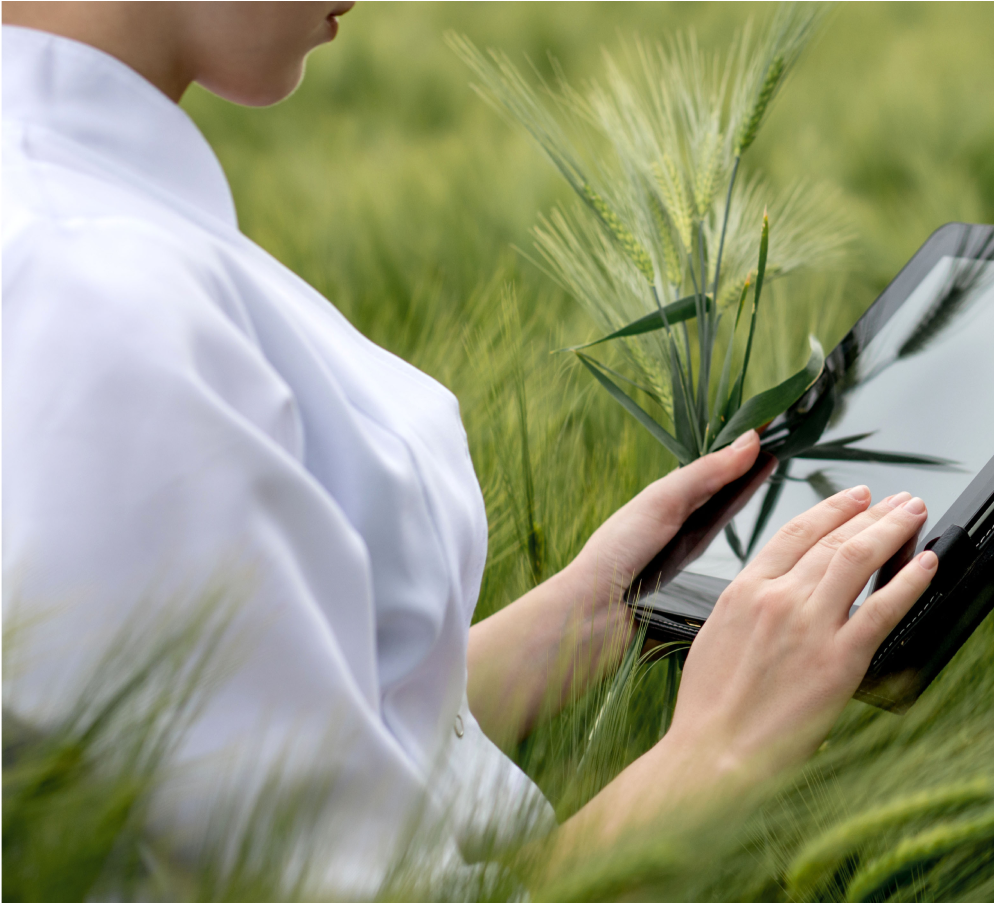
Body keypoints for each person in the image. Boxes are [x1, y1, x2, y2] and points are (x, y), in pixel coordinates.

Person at [0, 0, 939, 893]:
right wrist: (718, 753)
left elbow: (244, 761)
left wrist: (587, 613)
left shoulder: (82, 226)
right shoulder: (86, 293)